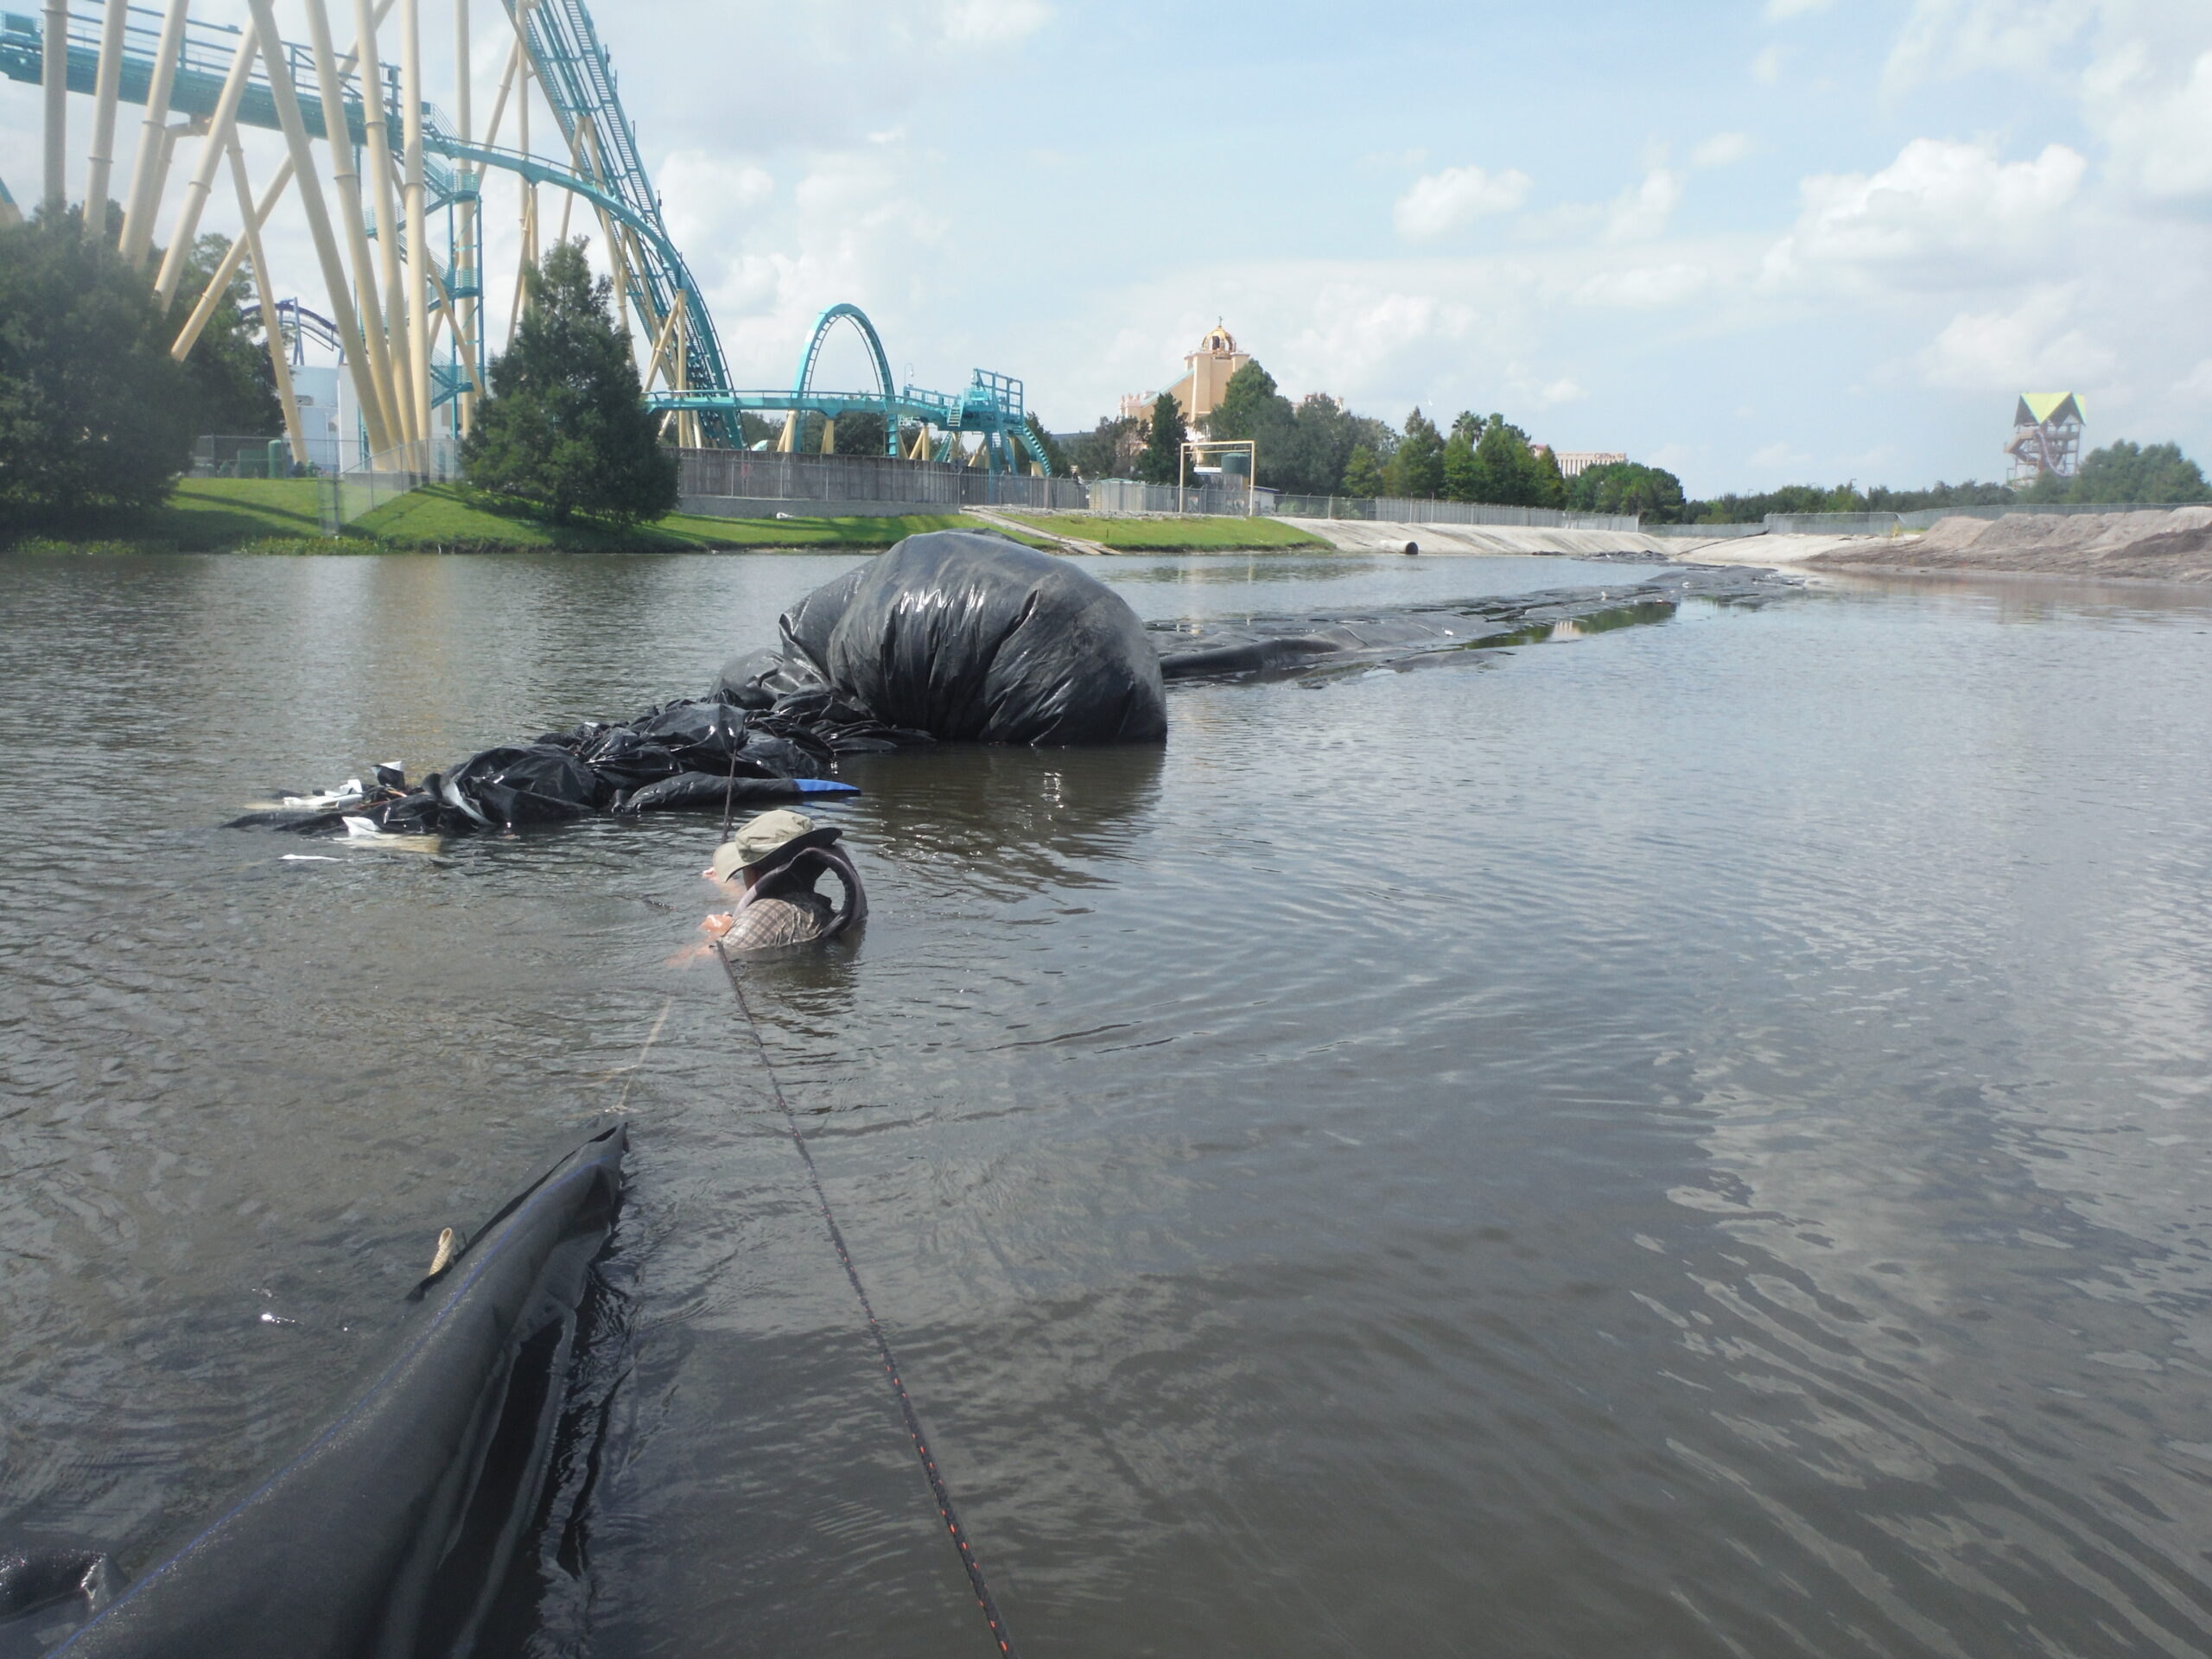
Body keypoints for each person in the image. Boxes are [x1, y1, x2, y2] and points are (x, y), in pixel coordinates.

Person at [701, 809, 867, 950]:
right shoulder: (820, 910)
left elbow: (685, 962)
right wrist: (725, 883)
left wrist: (718, 933)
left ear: (755, 874)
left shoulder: (754, 924)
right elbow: (763, 898)